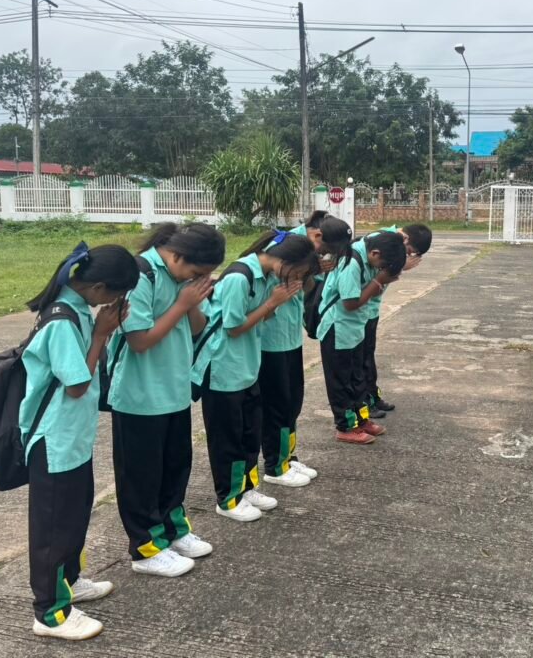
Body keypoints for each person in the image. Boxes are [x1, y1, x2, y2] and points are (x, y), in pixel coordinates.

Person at [22, 243, 140, 641]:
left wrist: (101, 332)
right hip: (54, 440)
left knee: (74, 515)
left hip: (72, 437)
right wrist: (102, 334)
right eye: (115, 295)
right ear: (99, 287)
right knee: (54, 527)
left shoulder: (77, 310)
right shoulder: (62, 320)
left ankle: (69, 581)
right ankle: (50, 612)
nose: (112, 303)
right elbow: (76, 385)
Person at [108, 222, 225, 576]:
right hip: (140, 396)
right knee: (141, 476)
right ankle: (146, 548)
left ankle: (173, 530)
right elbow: (139, 341)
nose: (198, 279)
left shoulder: (178, 279)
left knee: (175, 467)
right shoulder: (141, 275)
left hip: (174, 390)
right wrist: (182, 302)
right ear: (176, 256)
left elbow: (196, 328)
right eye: (196, 272)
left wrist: (191, 304)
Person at [194, 231, 318, 521]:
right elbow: (233, 327)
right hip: (224, 368)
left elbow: (262, 319)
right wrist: (272, 303)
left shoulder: (266, 277)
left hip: (247, 365)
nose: (295, 279)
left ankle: (246, 487)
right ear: (285, 261)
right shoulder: (240, 277)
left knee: (250, 431)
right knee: (228, 437)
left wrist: (275, 303)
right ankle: (228, 498)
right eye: (296, 272)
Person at [259, 212, 353, 486]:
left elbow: (305, 289)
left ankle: (288, 457)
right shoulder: (283, 251)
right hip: (271, 341)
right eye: (326, 249)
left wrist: (314, 272)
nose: (325, 254)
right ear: (317, 236)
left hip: (290, 338)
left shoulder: (304, 254)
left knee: (292, 403)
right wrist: (311, 268)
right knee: (277, 406)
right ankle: (275, 465)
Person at [318, 231, 406, 444]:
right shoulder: (352, 263)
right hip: (338, 329)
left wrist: (380, 280)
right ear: (375, 253)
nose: (381, 270)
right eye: (382, 266)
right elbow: (350, 303)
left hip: (355, 328)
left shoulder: (369, 257)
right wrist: (378, 281)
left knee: (357, 378)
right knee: (341, 381)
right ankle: (345, 427)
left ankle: (361, 420)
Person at [357, 224, 433, 417]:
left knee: (368, 357)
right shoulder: (381, 240)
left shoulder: (392, 242)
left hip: (371, 309)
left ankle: (373, 397)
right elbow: (373, 274)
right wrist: (399, 266)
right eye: (409, 252)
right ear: (405, 238)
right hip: (360, 309)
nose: (408, 256)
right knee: (361, 361)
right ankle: (364, 403)